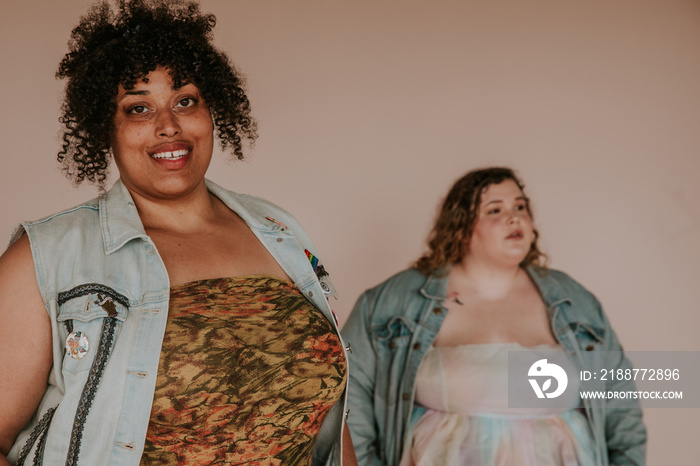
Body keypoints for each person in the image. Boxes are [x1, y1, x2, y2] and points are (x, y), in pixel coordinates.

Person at [0, 1, 356, 465]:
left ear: (213, 111)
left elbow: (328, 419)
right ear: (106, 128)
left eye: (185, 101)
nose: (168, 126)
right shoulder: (46, 257)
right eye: (138, 108)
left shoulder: (278, 230)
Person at [342, 167, 646, 465]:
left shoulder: (575, 301)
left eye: (520, 206)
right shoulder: (391, 303)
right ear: (460, 226)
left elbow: (620, 398)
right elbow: (349, 400)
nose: (514, 217)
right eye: (494, 210)